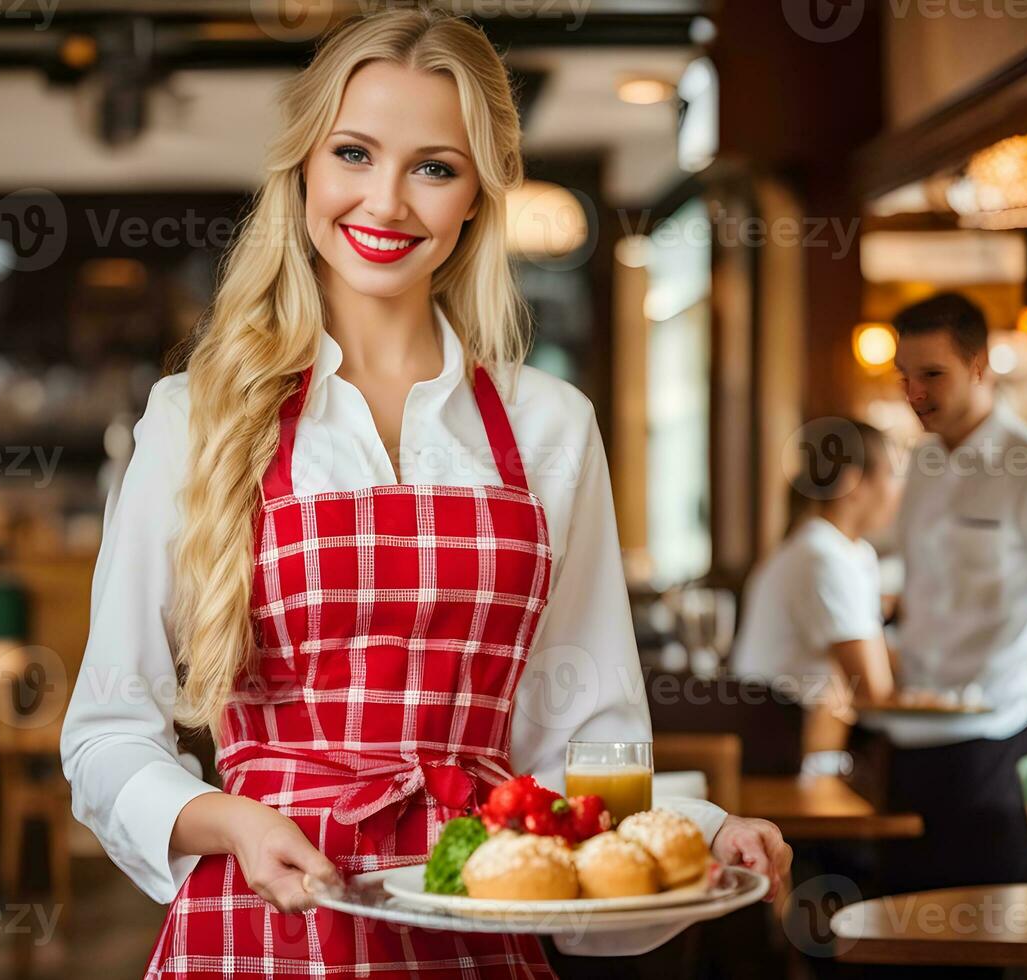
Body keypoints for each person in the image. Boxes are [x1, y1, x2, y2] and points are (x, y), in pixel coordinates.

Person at [60, 9, 791, 977]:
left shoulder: (550, 427)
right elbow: (107, 733)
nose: (386, 201)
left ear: (477, 198)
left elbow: (586, 747)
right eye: (354, 153)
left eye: (432, 167)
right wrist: (229, 819)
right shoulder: (195, 417)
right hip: (257, 927)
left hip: (471, 921)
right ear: (304, 171)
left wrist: (699, 828)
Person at [852, 291, 1027, 893]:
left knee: (984, 942)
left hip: (993, 748)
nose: (914, 394)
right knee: (902, 939)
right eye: (904, 377)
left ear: (980, 367)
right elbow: (912, 574)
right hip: (907, 741)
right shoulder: (922, 464)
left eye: (932, 375)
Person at [732, 420, 901, 754]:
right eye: (892, 475)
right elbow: (874, 692)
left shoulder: (843, 550)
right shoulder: (823, 557)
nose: (899, 490)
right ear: (853, 483)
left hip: (801, 743)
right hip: (785, 753)